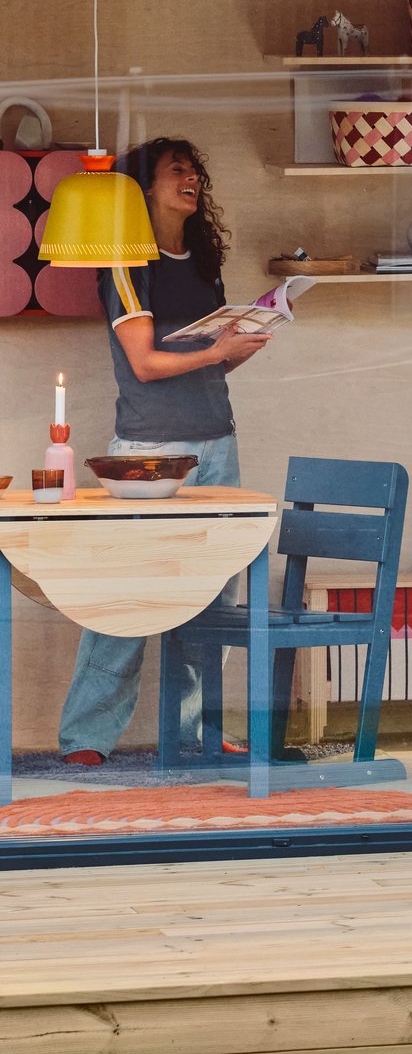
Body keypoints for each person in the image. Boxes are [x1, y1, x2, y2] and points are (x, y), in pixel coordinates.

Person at [58, 138, 272, 766]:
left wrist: (240, 344)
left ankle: (197, 731)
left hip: (218, 443)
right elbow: (146, 365)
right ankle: (87, 737)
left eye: (194, 170)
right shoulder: (127, 264)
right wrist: (216, 351)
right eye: (176, 170)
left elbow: (208, 365)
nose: (190, 178)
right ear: (143, 188)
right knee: (125, 594)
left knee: (214, 597)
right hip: (150, 449)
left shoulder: (203, 264)